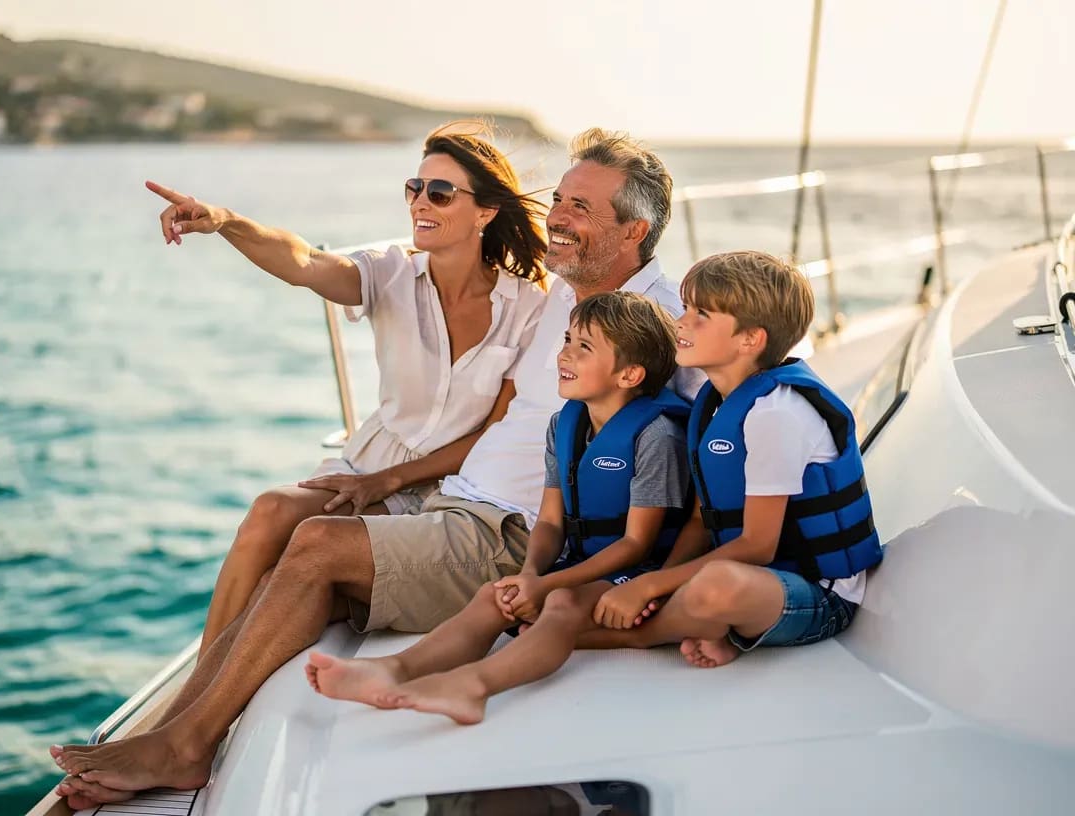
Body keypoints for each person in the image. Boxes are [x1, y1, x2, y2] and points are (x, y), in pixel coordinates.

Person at [51, 128, 696, 808]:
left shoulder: (663, 326)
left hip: (511, 532)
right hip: (458, 502)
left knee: (317, 547)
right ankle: (180, 725)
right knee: (293, 557)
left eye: (580, 208)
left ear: (634, 230)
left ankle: (185, 746)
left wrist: (668, 589)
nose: (557, 217)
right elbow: (504, 416)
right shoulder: (565, 299)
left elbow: (700, 466)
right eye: (558, 199)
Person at [148, 123, 550, 655]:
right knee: (270, 511)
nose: (419, 203)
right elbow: (305, 263)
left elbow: (496, 432)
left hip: (447, 485)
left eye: (440, 193)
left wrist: (391, 481)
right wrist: (225, 222)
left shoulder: (526, 308)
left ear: (486, 211)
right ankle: (198, 685)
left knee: (288, 567)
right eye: (415, 187)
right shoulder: (390, 273)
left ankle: (203, 703)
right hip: (369, 467)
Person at [305, 291, 709, 725]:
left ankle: (473, 688)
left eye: (584, 347)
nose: (564, 354)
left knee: (559, 607)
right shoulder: (564, 424)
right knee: (493, 596)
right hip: (586, 563)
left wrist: (548, 588)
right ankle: (390, 670)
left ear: (629, 374)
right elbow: (552, 520)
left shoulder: (656, 437)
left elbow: (635, 544)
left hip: (642, 572)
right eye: (567, 339)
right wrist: (531, 576)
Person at [557, 250, 883, 669]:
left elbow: (758, 547)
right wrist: (655, 589)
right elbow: (699, 521)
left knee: (718, 584)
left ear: (750, 339)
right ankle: (708, 626)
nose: (681, 322)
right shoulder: (715, 405)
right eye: (687, 308)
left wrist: (650, 586)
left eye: (701, 315)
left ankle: (644, 636)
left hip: (819, 595)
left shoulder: (775, 414)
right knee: (692, 582)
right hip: (761, 579)